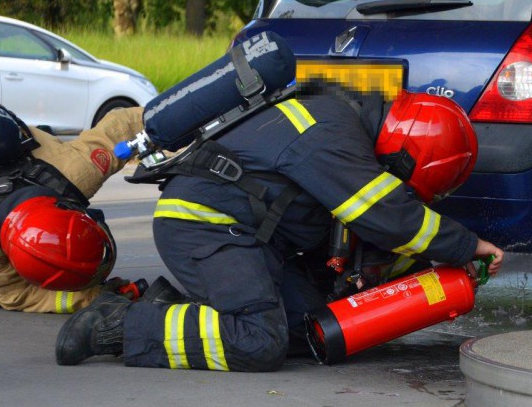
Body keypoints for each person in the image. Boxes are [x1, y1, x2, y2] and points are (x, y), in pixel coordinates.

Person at [56, 80, 504, 370]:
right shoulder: (332, 136)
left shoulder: (339, 121)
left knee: (310, 327)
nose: (402, 190)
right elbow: (385, 214)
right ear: (406, 158)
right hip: (204, 224)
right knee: (259, 342)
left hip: (246, 236)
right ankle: (116, 325)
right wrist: (468, 246)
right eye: (409, 184)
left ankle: (169, 306)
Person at [0, 73, 145, 313]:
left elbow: (124, 125)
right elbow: (10, 294)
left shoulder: (75, 171)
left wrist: (181, 116)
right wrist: (88, 298)